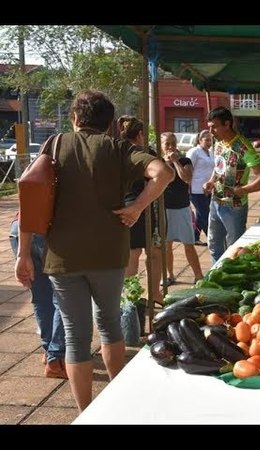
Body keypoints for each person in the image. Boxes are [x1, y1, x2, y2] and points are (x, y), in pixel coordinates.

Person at [14, 90, 174, 413]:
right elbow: (164, 173)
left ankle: (86, 413)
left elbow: (30, 194)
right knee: (110, 325)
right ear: (111, 123)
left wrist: (23, 253)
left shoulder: (55, 145)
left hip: (63, 256)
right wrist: (138, 207)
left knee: (75, 336)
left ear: (75, 118)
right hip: (108, 253)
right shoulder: (120, 148)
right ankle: (118, 401)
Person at [203, 107, 260, 263]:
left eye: (214, 126)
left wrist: (243, 190)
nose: (211, 131)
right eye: (209, 127)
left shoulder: (243, 147)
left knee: (235, 249)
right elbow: (218, 167)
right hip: (215, 202)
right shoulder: (219, 143)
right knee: (214, 244)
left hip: (234, 207)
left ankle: (232, 281)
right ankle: (217, 274)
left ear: (227, 124)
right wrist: (211, 181)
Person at [9, 214, 67, 379]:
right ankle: (57, 358)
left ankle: (50, 352)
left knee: (41, 298)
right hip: (51, 229)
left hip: (20, 229)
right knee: (64, 297)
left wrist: (22, 254)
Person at [117, 115, 164, 307]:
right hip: (146, 207)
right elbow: (162, 177)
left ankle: (131, 296)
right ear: (139, 134)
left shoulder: (117, 152)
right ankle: (154, 293)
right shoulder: (147, 154)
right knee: (153, 252)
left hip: (125, 206)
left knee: (132, 254)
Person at [160, 132, 204, 285]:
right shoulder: (158, 162)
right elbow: (160, 179)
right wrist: (166, 164)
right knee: (166, 245)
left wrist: (175, 162)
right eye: (167, 144)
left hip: (182, 208)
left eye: (173, 143)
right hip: (164, 208)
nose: (171, 147)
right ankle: (169, 275)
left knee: (188, 244)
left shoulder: (185, 160)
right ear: (161, 146)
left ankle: (198, 275)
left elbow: (186, 178)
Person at [186, 129, 214, 246]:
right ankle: (212, 238)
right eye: (206, 140)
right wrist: (187, 186)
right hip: (196, 189)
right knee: (205, 213)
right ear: (200, 140)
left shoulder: (211, 153)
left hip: (208, 189)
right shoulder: (194, 152)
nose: (209, 142)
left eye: (210, 140)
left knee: (201, 214)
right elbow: (187, 170)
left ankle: (194, 237)